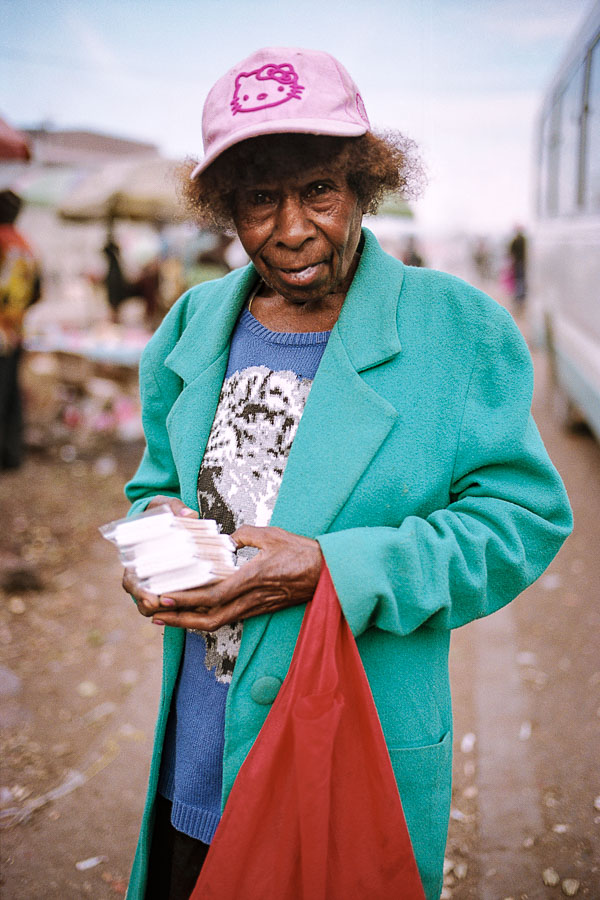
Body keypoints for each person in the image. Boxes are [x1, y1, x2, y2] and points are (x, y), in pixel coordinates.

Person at [122, 48, 572, 900]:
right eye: (260, 198)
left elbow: (522, 519)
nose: (291, 229)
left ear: (367, 185)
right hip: (204, 758)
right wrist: (156, 543)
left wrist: (336, 569)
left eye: (318, 191)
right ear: (228, 209)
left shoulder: (456, 329)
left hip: (349, 764)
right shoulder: (192, 326)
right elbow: (154, 484)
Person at [0, 189, 41, 469]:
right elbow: (38, 290)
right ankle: (11, 454)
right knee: (11, 391)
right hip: (17, 330)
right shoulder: (25, 246)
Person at [508, 225, 527, 310]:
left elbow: (511, 253)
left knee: (519, 281)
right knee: (520, 281)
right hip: (522, 264)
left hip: (519, 264)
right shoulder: (523, 240)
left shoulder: (516, 240)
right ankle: (520, 299)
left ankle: (519, 299)